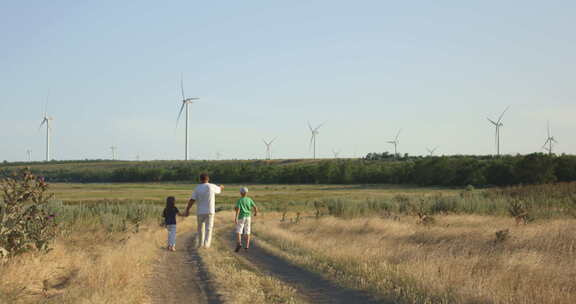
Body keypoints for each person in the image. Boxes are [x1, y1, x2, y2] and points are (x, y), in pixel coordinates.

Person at [185, 173, 224, 248]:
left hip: (200, 212)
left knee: (200, 229)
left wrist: (187, 209)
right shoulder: (211, 186)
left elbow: (192, 200)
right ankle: (206, 245)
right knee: (209, 229)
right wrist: (221, 187)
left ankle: (200, 244)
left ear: (200, 179)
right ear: (208, 179)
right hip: (210, 211)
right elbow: (219, 189)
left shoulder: (197, 188)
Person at [234, 187, 258, 252]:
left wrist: (236, 217)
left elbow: (238, 209)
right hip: (248, 217)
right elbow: (255, 207)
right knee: (247, 231)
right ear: (247, 193)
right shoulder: (249, 199)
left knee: (239, 231)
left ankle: (239, 243)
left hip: (241, 217)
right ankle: (247, 247)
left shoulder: (240, 200)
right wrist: (255, 213)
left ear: (241, 193)